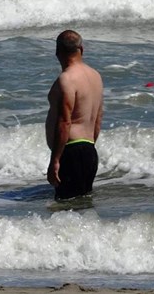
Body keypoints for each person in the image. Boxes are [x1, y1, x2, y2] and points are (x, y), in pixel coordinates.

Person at [45, 30, 104, 200]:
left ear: (58, 52)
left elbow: (65, 122)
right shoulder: (95, 76)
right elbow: (98, 118)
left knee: (64, 210)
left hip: (71, 152)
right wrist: (88, 150)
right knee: (83, 209)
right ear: (82, 50)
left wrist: (55, 160)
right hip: (89, 151)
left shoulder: (67, 79)